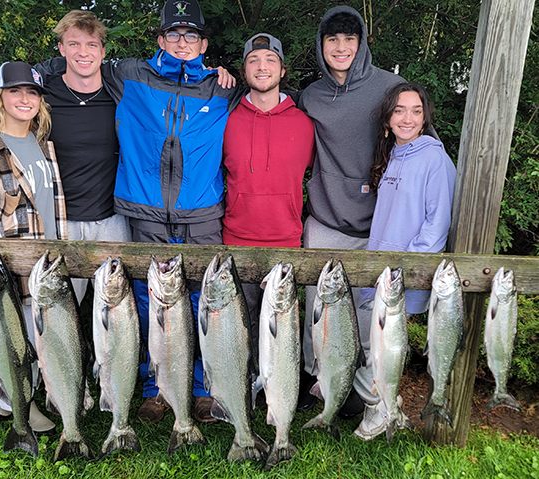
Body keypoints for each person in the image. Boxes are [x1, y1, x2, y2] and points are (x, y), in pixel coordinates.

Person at [37, 0, 241, 424]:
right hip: (145, 212)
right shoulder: (129, 75)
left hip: (201, 212)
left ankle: (201, 388)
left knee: (205, 301)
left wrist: (228, 74)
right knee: (148, 301)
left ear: (203, 43)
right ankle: (155, 388)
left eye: (190, 36)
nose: (181, 43)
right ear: (160, 39)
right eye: (173, 34)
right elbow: (62, 68)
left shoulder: (224, 89)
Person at [0, 10, 132, 305]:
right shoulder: (43, 95)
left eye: (91, 45)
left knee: (116, 310)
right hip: (61, 222)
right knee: (59, 311)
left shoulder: (121, 93)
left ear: (103, 51)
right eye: (73, 44)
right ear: (62, 49)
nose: (83, 53)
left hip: (112, 221)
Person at [296, 6, 410, 439]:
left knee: (366, 316)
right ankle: (314, 384)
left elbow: (416, 139)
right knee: (315, 310)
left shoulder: (388, 87)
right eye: (332, 41)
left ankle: (356, 391)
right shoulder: (311, 96)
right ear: (322, 47)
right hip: (324, 217)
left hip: (376, 225)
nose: (340, 48)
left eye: (349, 40)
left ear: (361, 43)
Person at [0, 61, 63, 435]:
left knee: (38, 339)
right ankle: (20, 404)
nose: (24, 99)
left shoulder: (42, 143)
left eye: (32, 92)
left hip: (45, 260)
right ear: (0, 97)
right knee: (13, 342)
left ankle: (18, 398)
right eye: (15, 91)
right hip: (10, 270)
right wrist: (0, 275)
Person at [222, 33, 314, 359]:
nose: (262, 67)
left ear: (282, 70)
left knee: (280, 330)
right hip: (237, 239)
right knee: (240, 326)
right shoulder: (226, 119)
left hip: (286, 241)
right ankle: (241, 385)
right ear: (244, 71)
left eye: (270, 60)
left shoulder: (305, 124)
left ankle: (280, 391)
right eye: (253, 61)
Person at [364, 82, 456, 317]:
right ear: (387, 118)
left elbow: (437, 225)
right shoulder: (391, 155)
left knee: (390, 349)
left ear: (425, 118)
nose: (408, 119)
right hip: (378, 270)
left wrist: (402, 270)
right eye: (399, 110)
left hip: (403, 277)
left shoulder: (435, 159)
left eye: (416, 111)